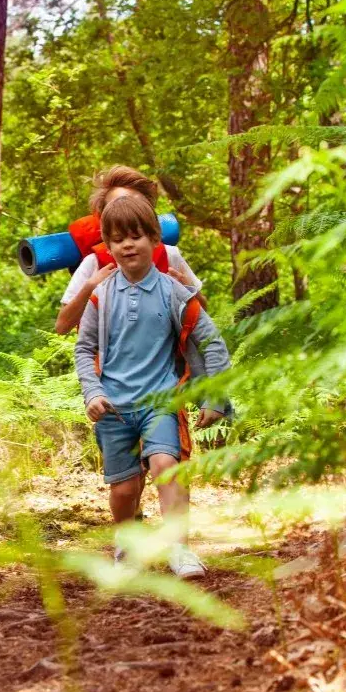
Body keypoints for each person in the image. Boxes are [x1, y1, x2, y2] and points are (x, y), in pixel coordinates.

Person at [73, 194, 230, 579]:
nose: (128, 245)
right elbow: (84, 348)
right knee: (125, 490)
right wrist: (93, 392)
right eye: (118, 239)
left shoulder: (175, 292)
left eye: (137, 236)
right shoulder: (100, 295)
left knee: (166, 466)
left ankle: (180, 548)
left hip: (161, 400)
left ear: (155, 240)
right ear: (108, 248)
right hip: (114, 407)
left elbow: (212, 343)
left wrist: (214, 396)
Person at [55, 166, 206, 336]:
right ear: (104, 219)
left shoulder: (170, 255)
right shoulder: (94, 263)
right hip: (108, 361)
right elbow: (62, 327)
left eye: (136, 204)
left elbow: (202, 314)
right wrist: (90, 287)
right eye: (116, 206)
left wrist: (188, 290)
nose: (126, 212)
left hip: (167, 361)